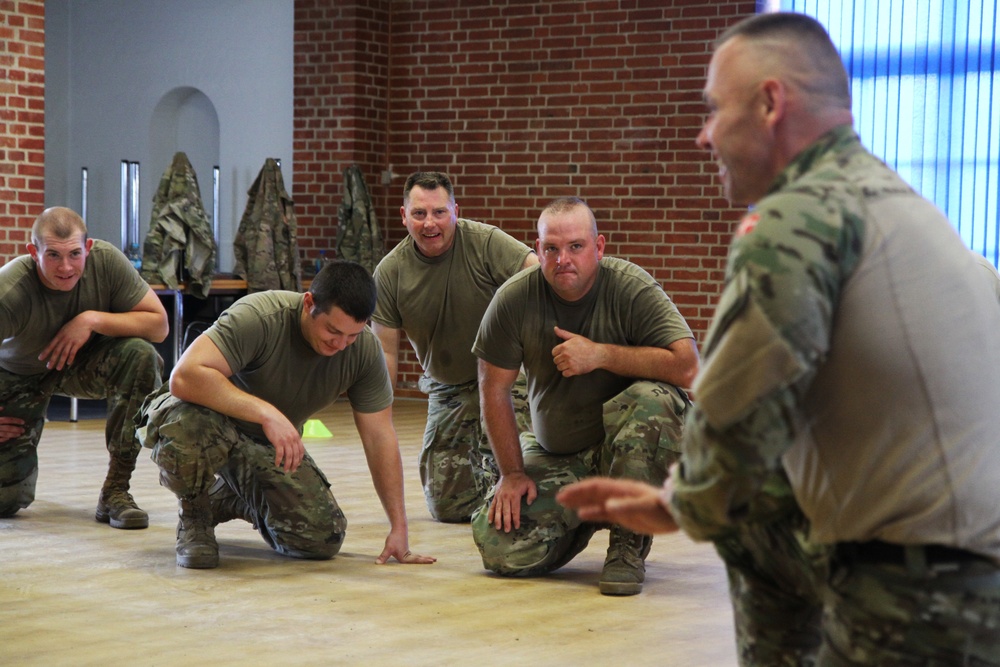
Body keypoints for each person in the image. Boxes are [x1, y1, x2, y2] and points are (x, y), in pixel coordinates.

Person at [558, 12, 1000, 665]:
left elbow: (736, 414)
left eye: (713, 109)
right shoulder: (900, 203)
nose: (703, 135)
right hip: (970, 574)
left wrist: (681, 502)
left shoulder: (797, 218)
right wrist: (703, 500)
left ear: (769, 103)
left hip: (924, 599)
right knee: (758, 515)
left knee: (738, 502)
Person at [137, 259, 435, 569]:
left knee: (321, 538)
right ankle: (195, 516)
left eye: (352, 335)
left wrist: (399, 528)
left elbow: (379, 437)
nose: (341, 344)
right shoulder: (260, 316)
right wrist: (266, 413)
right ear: (309, 304)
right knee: (185, 423)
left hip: (265, 446)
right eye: (333, 330)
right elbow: (184, 377)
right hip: (209, 423)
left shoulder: (363, 353)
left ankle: (228, 497)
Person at [472, 196, 699, 596]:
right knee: (500, 551)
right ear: (537, 248)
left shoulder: (632, 289)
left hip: (626, 448)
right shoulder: (514, 299)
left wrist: (601, 355)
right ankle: (586, 517)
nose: (564, 259)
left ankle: (628, 541)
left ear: (599, 247)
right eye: (552, 248)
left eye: (576, 246)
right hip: (560, 453)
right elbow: (494, 389)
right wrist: (512, 473)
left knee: (655, 399)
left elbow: (687, 367)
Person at [373, 171, 538, 523]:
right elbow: (384, 352)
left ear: (455, 212)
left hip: (506, 376)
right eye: (419, 214)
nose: (429, 223)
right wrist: (378, 413)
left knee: (528, 475)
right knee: (446, 507)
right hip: (447, 387)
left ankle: (511, 481)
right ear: (404, 217)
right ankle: (491, 490)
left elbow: (537, 277)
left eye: (439, 213)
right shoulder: (389, 273)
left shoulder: (486, 242)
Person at [0, 206, 168, 529]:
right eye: (53, 256)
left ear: (87, 249)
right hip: (18, 375)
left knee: (141, 355)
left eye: (75, 254)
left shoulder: (106, 263)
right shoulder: (11, 290)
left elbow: (158, 325)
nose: (66, 267)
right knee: (7, 501)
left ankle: (116, 491)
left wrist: (91, 320)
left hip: (79, 364)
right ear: (33, 252)